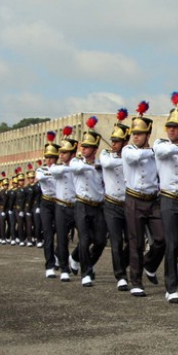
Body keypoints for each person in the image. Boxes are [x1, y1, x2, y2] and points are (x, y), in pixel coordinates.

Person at [122, 102, 166, 297]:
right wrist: (157, 149)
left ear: (148, 135)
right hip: (133, 200)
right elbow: (137, 157)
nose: (136, 136)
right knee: (136, 242)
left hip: (153, 201)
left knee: (161, 239)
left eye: (140, 134)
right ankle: (136, 281)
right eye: (134, 133)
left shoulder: (156, 153)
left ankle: (149, 263)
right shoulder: (128, 151)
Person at [154, 94, 178, 303]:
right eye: (169, 126)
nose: (171, 130)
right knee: (173, 243)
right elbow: (164, 152)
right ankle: (171, 287)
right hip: (168, 199)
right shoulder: (160, 143)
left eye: (176, 127)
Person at [71, 118, 108, 287]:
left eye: (87, 147)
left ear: (95, 149)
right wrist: (92, 166)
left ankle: (81, 260)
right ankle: (86, 273)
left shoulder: (102, 164)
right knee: (84, 240)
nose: (83, 149)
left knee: (100, 241)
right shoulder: (76, 162)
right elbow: (78, 168)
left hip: (98, 206)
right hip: (82, 205)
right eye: (82, 146)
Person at [100, 110, 131, 292]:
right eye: (112, 140)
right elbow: (108, 165)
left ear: (125, 142)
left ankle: (123, 263)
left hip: (128, 204)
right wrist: (129, 159)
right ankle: (120, 275)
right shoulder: (106, 155)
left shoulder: (132, 154)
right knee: (116, 241)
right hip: (111, 204)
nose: (113, 144)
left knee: (133, 241)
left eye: (117, 141)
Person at [49, 128, 80, 282]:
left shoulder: (79, 166)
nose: (60, 155)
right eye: (60, 152)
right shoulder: (56, 168)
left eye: (65, 153)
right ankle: (64, 268)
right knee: (61, 239)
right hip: (61, 207)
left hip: (77, 207)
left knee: (88, 237)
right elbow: (57, 172)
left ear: (73, 154)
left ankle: (75, 257)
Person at [35, 135, 60, 277]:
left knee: (61, 232)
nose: (48, 160)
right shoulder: (40, 169)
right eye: (47, 157)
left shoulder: (60, 168)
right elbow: (40, 177)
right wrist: (54, 172)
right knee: (48, 234)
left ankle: (56, 255)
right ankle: (49, 265)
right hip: (46, 203)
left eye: (51, 157)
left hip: (58, 202)